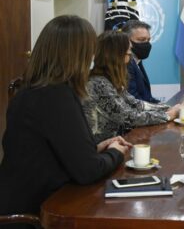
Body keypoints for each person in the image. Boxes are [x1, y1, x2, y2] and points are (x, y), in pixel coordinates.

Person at [0, 15, 131, 220]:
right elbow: (88, 171)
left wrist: (97, 148)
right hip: (35, 213)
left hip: (19, 199)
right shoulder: (56, 96)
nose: (93, 58)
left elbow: (50, 151)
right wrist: (116, 153)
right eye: (90, 52)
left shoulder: (31, 90)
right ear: (77, 55)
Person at [83, 31, 184, 143]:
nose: (130, 57)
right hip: (102, 151)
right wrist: (168, 115)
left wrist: (172, 108)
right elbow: (128, 116)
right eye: (128, 52)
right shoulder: (99, 83)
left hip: (117, 143)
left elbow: (136, 104)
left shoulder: (110, 79)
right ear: (116, 55)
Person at [122, 20, 159, 103]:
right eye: (141, 40)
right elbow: (133, 101)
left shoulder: (137, 61)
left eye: (148, 40)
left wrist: (167, 108)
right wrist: (166, 112)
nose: (146, 44)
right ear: (127, 41)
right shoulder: (126, 64)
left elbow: (147, 97)